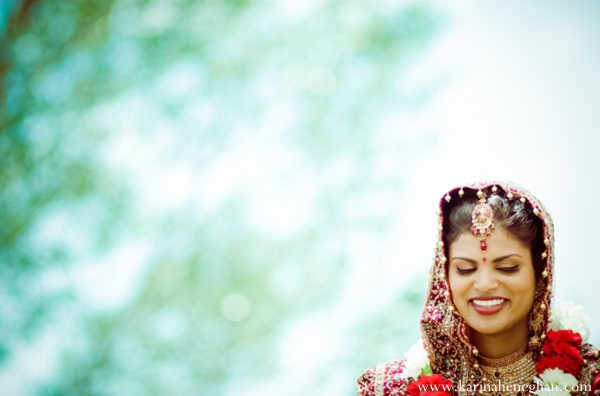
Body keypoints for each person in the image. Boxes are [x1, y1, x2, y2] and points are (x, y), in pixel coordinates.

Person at [356, 181, 600, 396]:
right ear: (444, 277)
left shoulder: (590, 381)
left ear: (540, 276)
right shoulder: (392, 389)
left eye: (507, 268)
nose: (484, 285)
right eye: (465, 270)